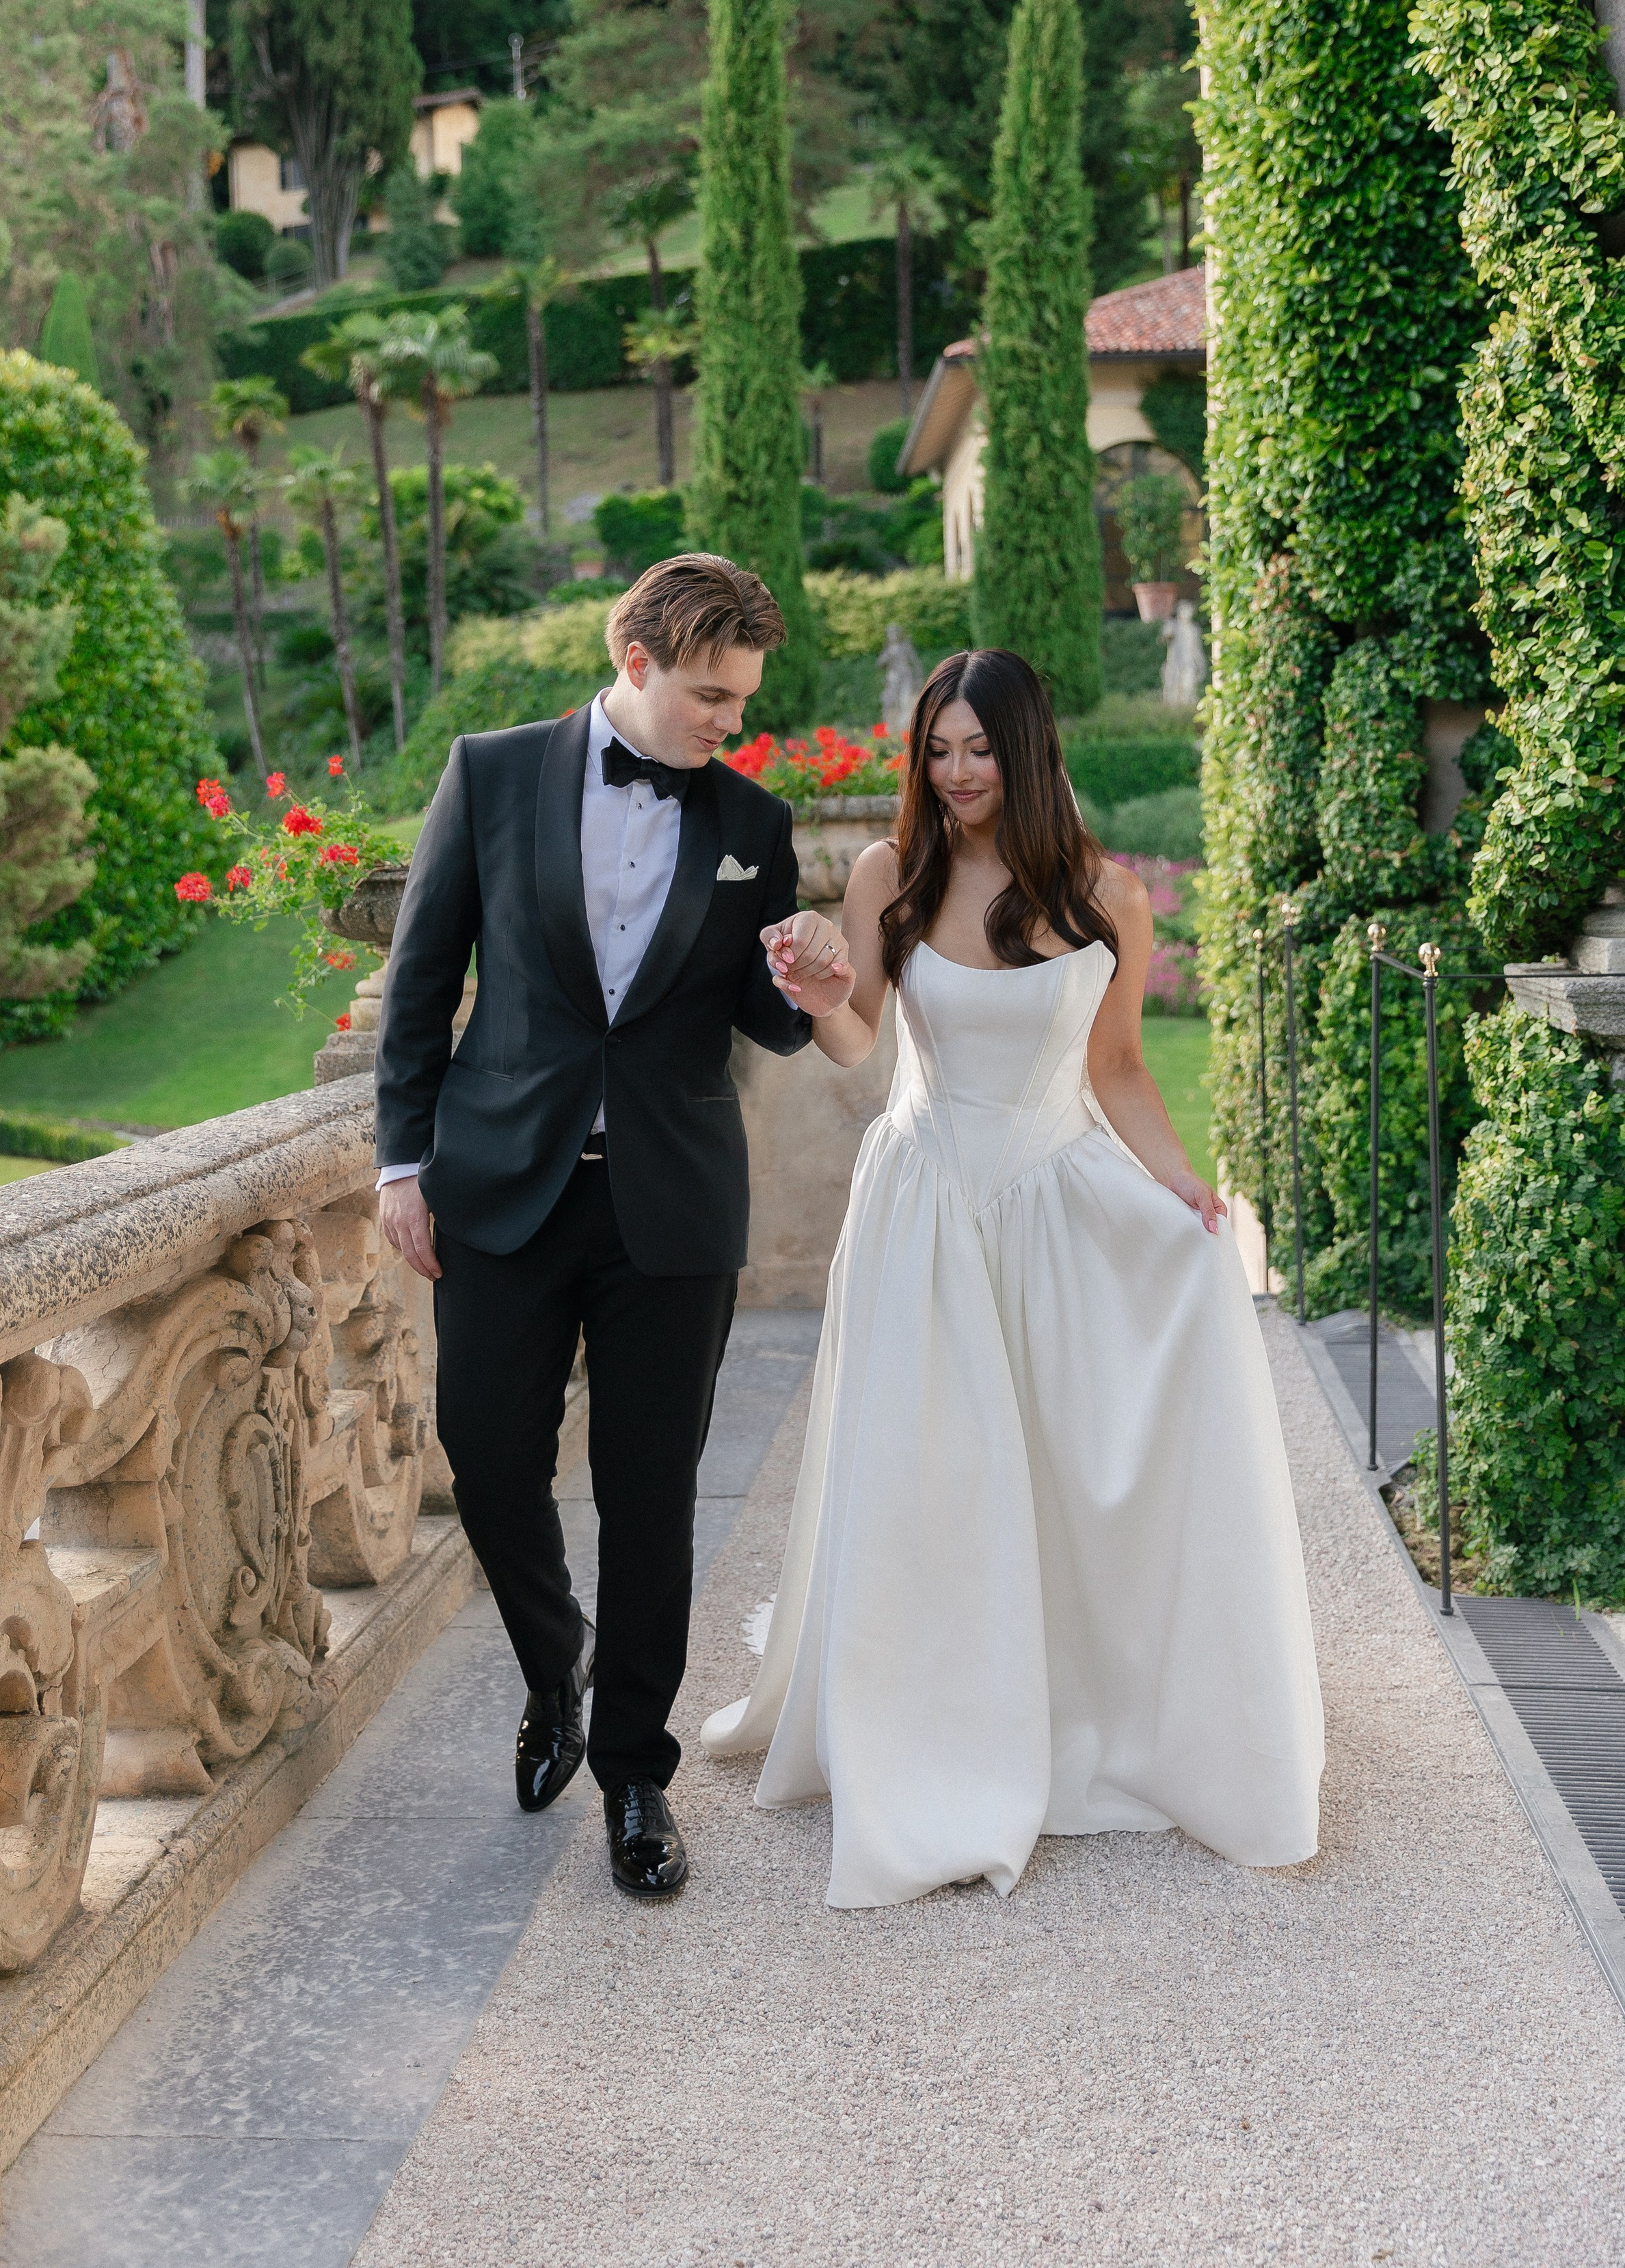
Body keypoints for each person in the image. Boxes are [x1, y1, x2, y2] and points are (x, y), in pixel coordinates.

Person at [702, 648, 1324, 1908]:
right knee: (927, 1474)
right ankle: (925, 1724)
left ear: (1027, 748)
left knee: (1065, 1460)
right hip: (923, 1205)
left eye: (979, 749)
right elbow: (856, 1040)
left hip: (1053, 1201)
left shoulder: (1106, 896)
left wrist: (1182, 1188)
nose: (956, 772)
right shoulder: (892, 873)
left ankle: (1084, 1702)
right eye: (937, 750)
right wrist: (819, 990)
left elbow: (1120, 1070)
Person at [373, 555, 855, 1902]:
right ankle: (555, 1666)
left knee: (652, 1497)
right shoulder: (490, 773)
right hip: (501, 1186)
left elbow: (763, 1019)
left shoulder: (752, 818)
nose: (731, 723)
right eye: (711, 696)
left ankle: (636, 1775)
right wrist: (400, 1163)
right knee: (486, 1458)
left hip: (673, 1207)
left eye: (743, 700)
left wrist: (807, 981)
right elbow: (420, 979)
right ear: (635, 663)